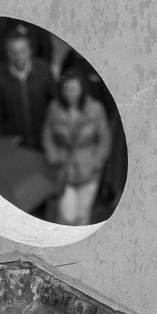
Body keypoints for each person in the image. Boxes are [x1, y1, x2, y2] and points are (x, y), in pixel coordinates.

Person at [42, 63, 112, 227]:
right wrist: (53, 156)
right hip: (64, 170)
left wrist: (97, 162)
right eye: (67, 89)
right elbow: (47, 135)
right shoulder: (55, 108)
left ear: (82, 89)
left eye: (74, 89)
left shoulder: (95, 109)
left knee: (82, 216)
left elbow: (105, 139)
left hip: (89, 171)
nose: (70, 93)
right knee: (66, 217)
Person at [0, 27, 53, 151]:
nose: (19, 57)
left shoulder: (43, 70)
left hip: (43, 140)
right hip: (13, 143)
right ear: (8, 53)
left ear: (30, 50)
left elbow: (54, 103)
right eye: (14, 52)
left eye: (23, 51)